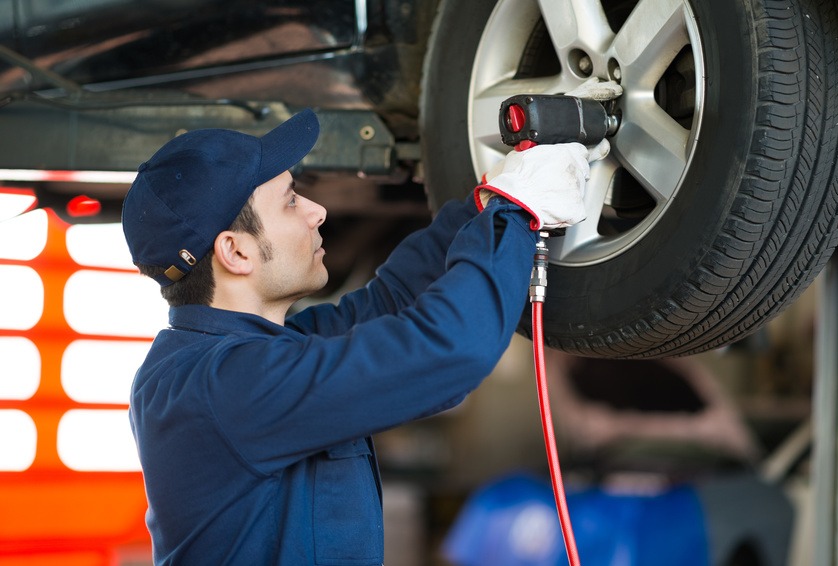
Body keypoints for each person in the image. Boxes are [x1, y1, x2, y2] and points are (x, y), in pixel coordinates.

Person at [122, 86, 615, 564]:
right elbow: (447, 350)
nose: (319, 211)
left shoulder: (243, 355)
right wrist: (517, 212)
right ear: (236, 251)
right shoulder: (221, 387)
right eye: (292, 201)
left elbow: (394, 301)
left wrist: (493, 194)